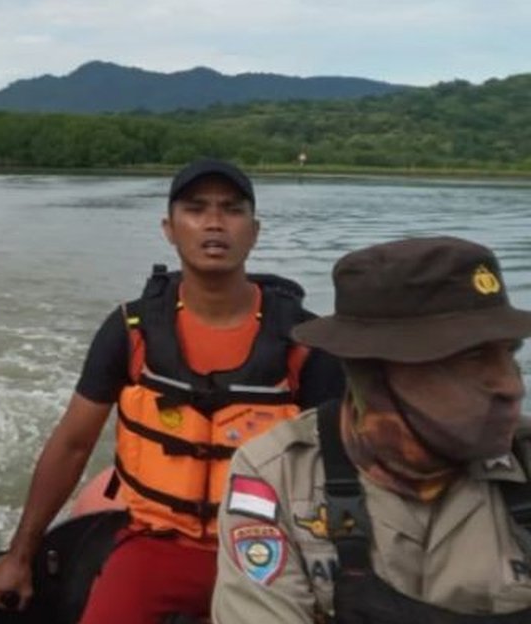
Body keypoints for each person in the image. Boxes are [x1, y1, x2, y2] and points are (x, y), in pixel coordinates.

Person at [0, 158, 345, 623]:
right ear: (169, 229)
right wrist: (18, 556)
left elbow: (342, 466)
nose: (215, 222)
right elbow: (73, 445)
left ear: (254, 231)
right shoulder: (129, 331)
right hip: (154, 546)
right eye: (196, 209)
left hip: (269, 555)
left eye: (231, 210)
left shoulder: (305, 341)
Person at [212, 236, 531, 622]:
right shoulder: (279, 475)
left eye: (509, 353)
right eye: (472, 358)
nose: (511, 386)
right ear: (374, 380)